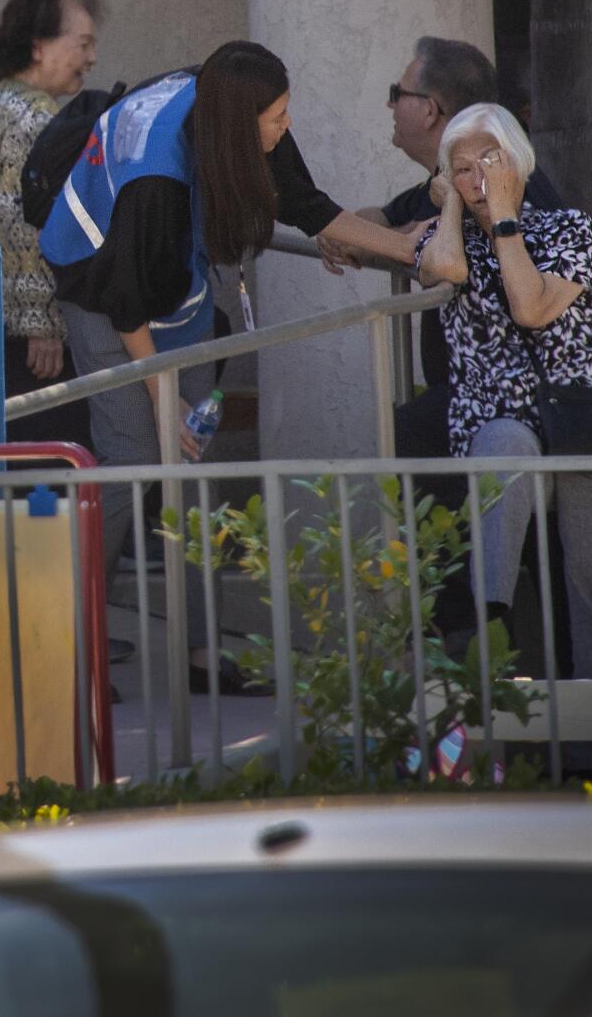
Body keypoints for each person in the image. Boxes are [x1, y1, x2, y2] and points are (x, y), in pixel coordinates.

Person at [40, 40, 425, 689]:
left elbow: (304, 202)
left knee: (193, 466)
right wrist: (168, 400)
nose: (287, 124)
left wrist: (405, 250)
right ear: (237, 124)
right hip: (101, 294)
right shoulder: (156, 181)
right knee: (134, 465)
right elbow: (124, 301)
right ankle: (67, 648)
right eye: (277, 116)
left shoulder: (226, 103)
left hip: (175, 289)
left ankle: (199, 658)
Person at [414, 102, 592, 680]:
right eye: (462, 168)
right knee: (504, 444)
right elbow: (436, 267)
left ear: (517, 164)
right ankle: (486, 616)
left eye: (488, 163)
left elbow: (531, 306)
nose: (477, 180)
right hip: (504, 424)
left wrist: (503, 217)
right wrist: (450, 202)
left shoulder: (569, 228)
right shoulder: (453, 241)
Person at [319, 37, 565, 464]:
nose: (390, 105)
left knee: (409, 438)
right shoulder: (444, 177)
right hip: (470, 389)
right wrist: (354, 231)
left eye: (398, 95)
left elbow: (438, 253)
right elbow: (390, 216)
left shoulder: (495, 185)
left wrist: (365, 237)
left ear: (429, 110)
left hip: (520, 394)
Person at [0, 0, 101, 448]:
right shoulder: (38, 119)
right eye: (82, 43)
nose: (91, 58)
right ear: (38, 46)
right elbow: (26, 222)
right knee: (52, 463)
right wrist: (42, 323)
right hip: (32, 342)